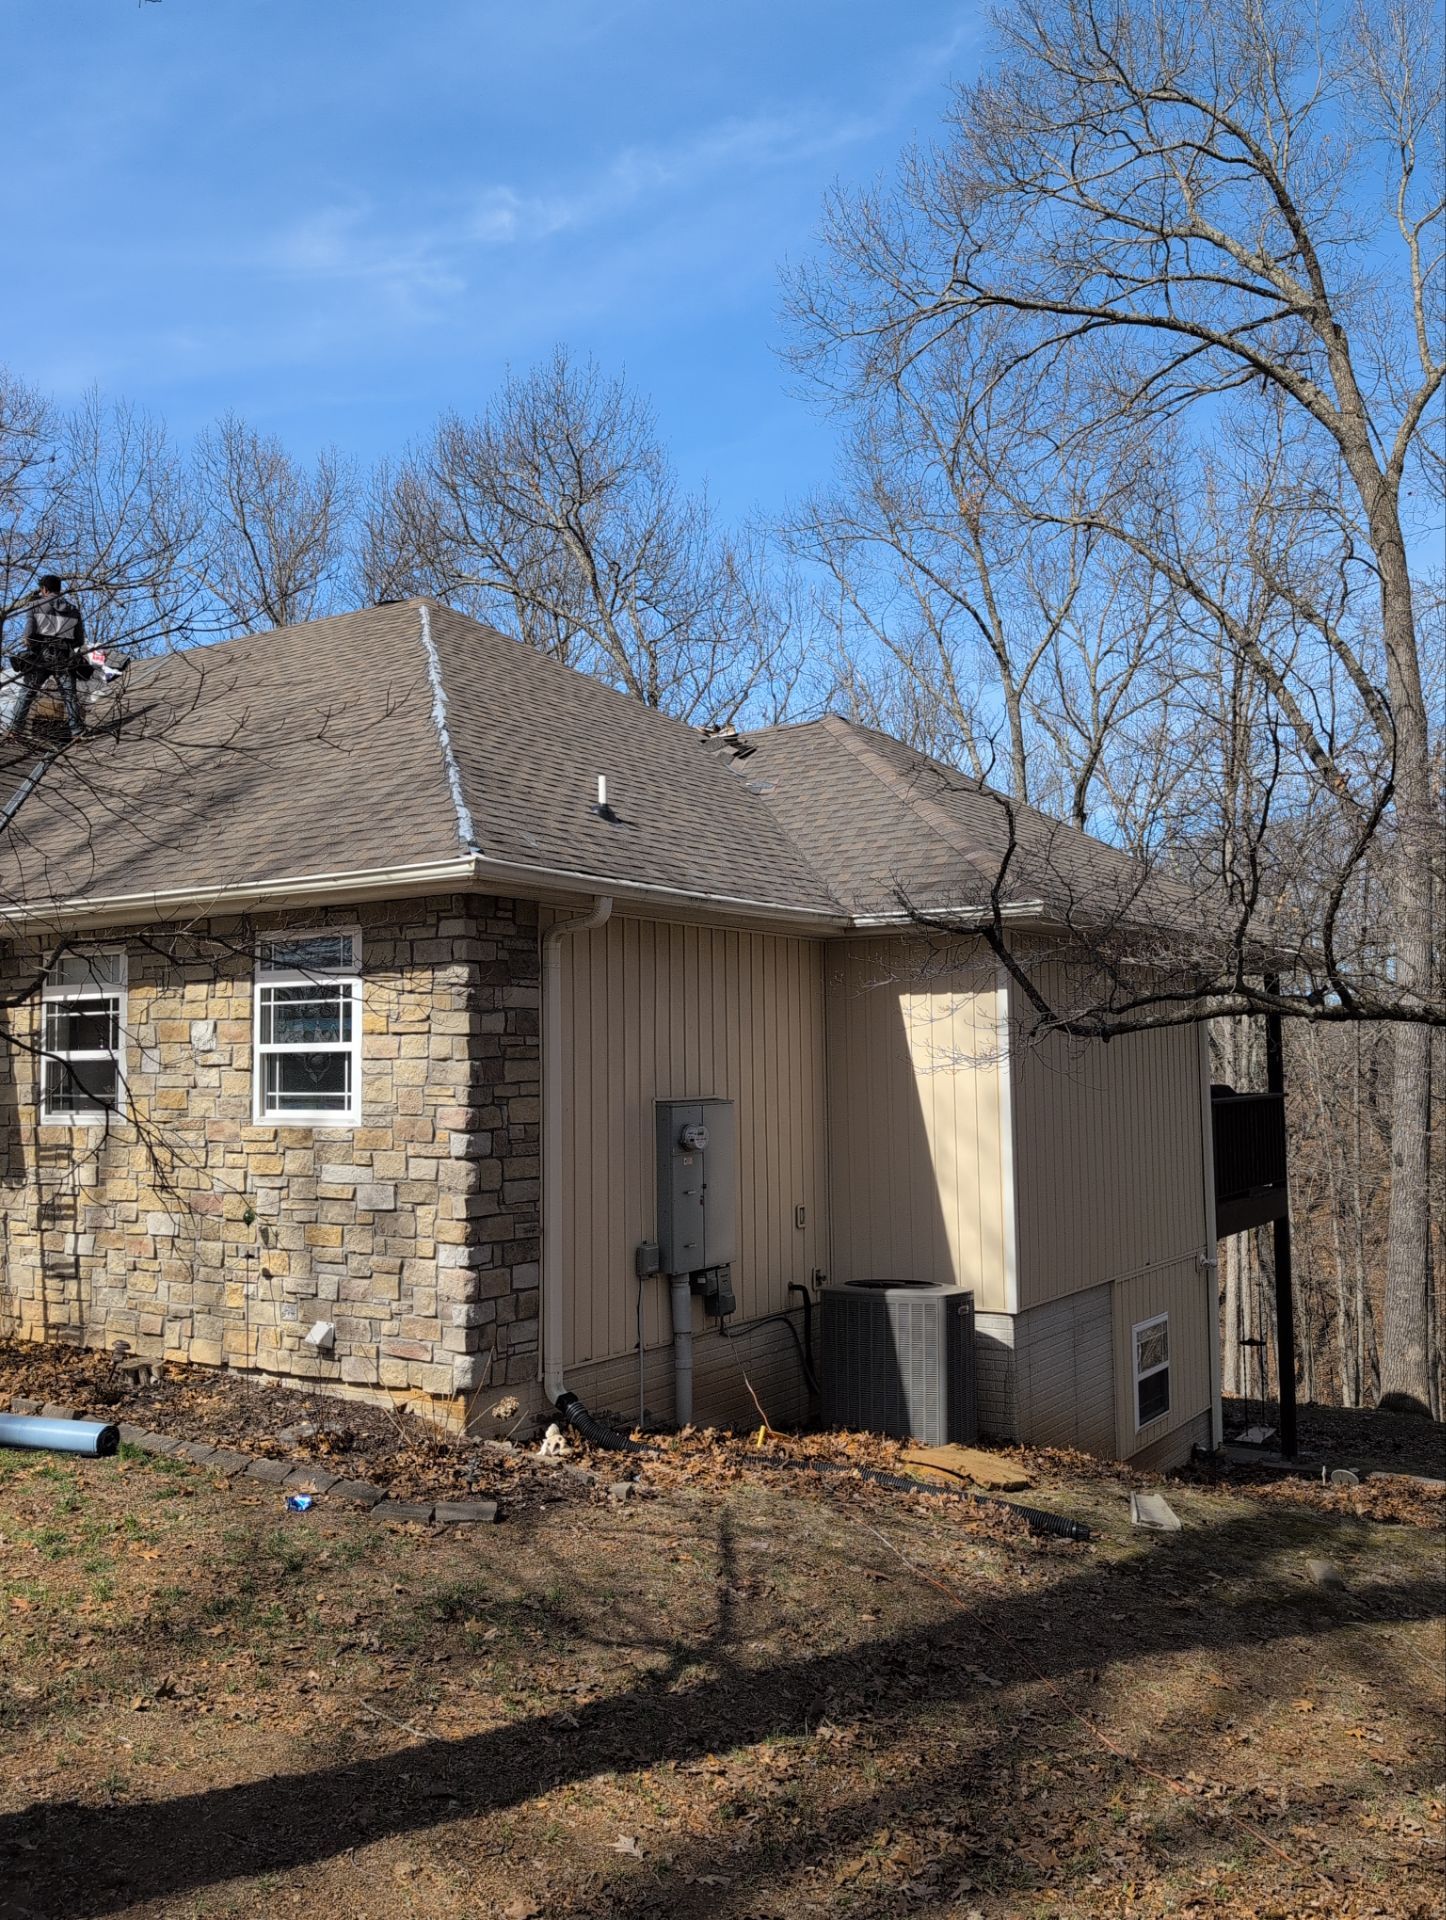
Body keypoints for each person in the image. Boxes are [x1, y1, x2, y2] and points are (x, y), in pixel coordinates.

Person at [6, 575, 90, 738]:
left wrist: (32, 643)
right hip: (64, 657)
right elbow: (79, 640)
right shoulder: (73, 610)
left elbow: (28, 636)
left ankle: (15, 729)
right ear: (59, 588)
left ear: (44, 589)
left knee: (27, 692)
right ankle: (77, 731)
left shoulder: (35, 605)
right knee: (69, 695)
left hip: (41, 657)